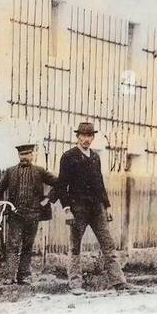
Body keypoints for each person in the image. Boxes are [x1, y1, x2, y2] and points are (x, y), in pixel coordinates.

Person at [53, 121, 127, 291]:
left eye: (89, 136)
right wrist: (67, 209)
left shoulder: (95, 157)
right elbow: (61, 185)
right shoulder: (68, 156)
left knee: (108, 245)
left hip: (97, 208)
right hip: (77, 209)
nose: (86, 139)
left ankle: (119, 282)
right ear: (78, 136)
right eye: (83, 136)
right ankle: (75, 284)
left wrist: (106, 206)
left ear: (93, 137)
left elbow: (99, 184)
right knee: (75, 246)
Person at [0, 141, 57, 285]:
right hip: (15, 214)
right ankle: (10, 276)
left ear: (32, 155)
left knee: (27, 245)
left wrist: (48, 199)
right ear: (18, 155)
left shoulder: (40, 171)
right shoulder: (10, 171)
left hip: (33, 215)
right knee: (13, 245)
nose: (24, 157)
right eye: (21, 154)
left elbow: (59, 183)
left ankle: (24, 276)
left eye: (27, 154)